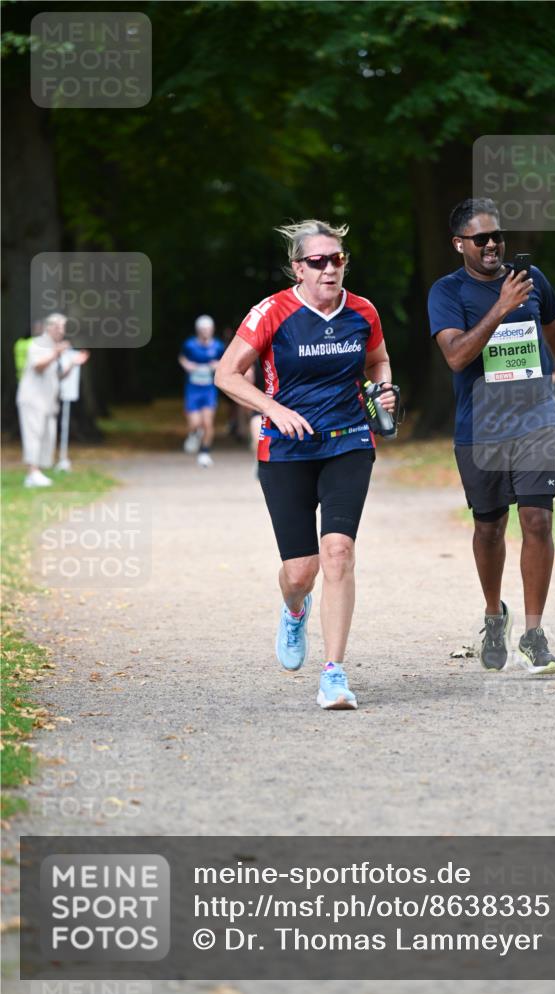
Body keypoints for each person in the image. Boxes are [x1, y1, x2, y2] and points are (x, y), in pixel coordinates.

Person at [215, 219, 395, 710]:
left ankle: (334, 674)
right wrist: (272, 408)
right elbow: (227, 375)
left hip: (348, 442)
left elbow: (377, 360)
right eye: (318, 261)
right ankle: (295, 610)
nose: (330, 269)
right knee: (301, 571)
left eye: (337, 260)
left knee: (337, 552)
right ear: (299, 268)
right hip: (286, 451)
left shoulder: (362, 311)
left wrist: (381, 392)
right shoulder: (272, 312)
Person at [428, 198, 555, 675]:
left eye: (498, 235)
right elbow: (456, 356)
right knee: (489, 526)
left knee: (538, 521)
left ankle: (535, 635)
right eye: (481, 238)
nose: (494, 244)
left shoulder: (532, 280)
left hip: (535, 418)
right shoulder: (446, 292)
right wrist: (501, 307)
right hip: (480, 426)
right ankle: (494, 613)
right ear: (460, 244)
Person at [16, 313, 89, 487]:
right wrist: (56, 353)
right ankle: (32, 473)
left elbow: (58, 375)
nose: (62, 332)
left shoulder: (55, 348)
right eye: (60, 328)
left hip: (49, 400)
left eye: (63, 328)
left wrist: (73, 363)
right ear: (50, 327)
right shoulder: (38, 344)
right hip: (32, 399)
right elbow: (38, 367)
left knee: (47, 434)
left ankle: (38, 472)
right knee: (33, 434)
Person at [178, 315, 225, 467]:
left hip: (209, 389)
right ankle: (193, 434)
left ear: (212, 330)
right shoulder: (190, 345)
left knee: (207, 423)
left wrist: (217, 365)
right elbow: (182, 358)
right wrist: (187, 365)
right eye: (203, 329)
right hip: (193, 388)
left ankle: (204, 452)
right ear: (198, 330)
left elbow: (225, 362)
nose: (206, 332)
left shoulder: (218, 346)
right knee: (195, 423)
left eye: (208, 329)